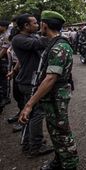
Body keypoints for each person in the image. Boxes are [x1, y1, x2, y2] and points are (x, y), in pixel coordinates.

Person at [19, 10, 79, 170]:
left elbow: (50, 78)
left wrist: (29, 104)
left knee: (62, 133)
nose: (39, 25)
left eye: (40, 23)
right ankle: (59, 161)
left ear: (45, 25)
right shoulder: (54, 43)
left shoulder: (58, 47)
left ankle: (70, 164)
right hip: (53, 95)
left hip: (56, 96)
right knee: (55, 132)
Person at [10, 13, 53, 157]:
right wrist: (47, 29)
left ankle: (29, 143)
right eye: (35, 23)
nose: (38, 24)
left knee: (30, 114)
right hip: (29, 82)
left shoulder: (30, 37)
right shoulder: (19, 39)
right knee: (36, 114)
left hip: (31, 80)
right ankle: (35, 146)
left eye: (39, 23)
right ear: (26, 26)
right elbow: (41, 43)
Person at [0, 20, 11, 113]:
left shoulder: (7, 35)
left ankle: (6, 97)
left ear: (4, 27)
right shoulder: (2, 34)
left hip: (4, 60)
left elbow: (4, 49)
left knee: (4, 79)